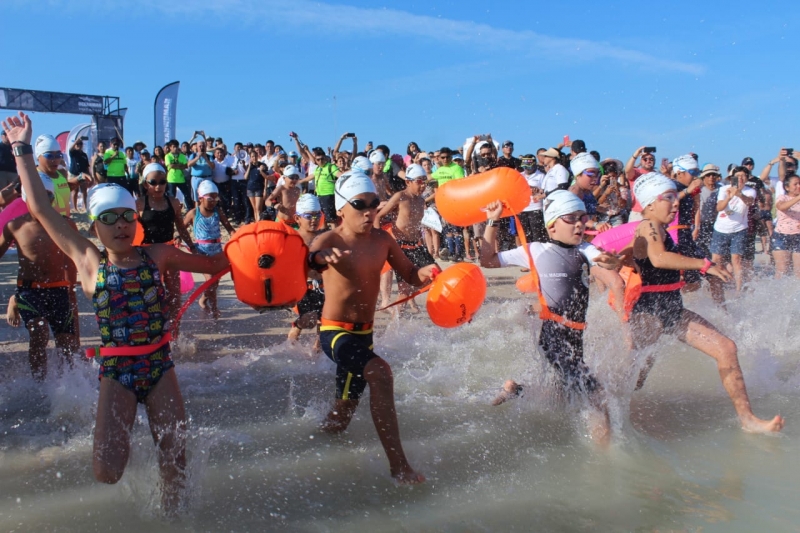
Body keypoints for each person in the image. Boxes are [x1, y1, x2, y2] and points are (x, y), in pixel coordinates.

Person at [4, 111, 230, 513]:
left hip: (160, 366)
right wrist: (21, 150)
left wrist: (265, 249)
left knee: (175, 459)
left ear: (136, 219)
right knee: (107, 471)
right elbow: (39, 207)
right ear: (95, 226)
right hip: (117, 373)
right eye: (109, 218)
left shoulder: (156, 255)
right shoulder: (88, 261)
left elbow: (216, 265)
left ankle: (173, 519)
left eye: (127, 216)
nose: (121, 224)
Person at [627, 172, 783, 433]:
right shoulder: (648, 226)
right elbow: (658, 259)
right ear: (649, 203)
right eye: (668, 198)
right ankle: (616, 411)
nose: (675, 203)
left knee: (726, 348)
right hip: (648, 313)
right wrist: (704, 265)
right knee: (637, 374)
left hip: (672, 310)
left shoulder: (662, 228)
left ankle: (748, 420)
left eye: (676, 197)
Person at [308, 171, 437, 484]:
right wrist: (320, 258)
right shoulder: (329, 240)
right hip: (335, 333)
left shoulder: (382, 240)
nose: (369, 211)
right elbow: (308, 263)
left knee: (343, 415)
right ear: (341, 208)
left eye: (373, 203)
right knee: (381, 373)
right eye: (359, 204)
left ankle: (314, 446)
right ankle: (399, 467)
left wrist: (428, 272)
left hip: (364, 335)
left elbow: (408, 273)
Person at [479, 190, 625, 444]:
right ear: (552, 226)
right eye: (570, 218)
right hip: (554, 335)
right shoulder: (536, 250)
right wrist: (493, 221)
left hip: (575, 336)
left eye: (583, 217)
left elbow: (599, 259)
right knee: (595, 394)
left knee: (563, 395)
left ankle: (516, 390)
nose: (579, 223)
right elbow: (488, 260)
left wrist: (607, 262)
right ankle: (608, 458)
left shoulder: (585, 249)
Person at [0, 176, 79, 380]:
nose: (43, 202)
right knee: (39, 334)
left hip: (59, 288)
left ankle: (68, 384)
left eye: (48, 196)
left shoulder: (65, 225)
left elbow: (75, 259)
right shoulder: (15, 226)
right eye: (38, 197)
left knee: (66, 342)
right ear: (27, 199)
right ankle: (40, 383)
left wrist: (73, 289)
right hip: (29, 289)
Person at [136, 163, 197, 337]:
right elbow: (131, 231)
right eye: (153, 182)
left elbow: (181, 226)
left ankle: (173, 334)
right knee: (150, 295)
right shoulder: (139, 204)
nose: (158, 186)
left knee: (174, 296)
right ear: (145, 184)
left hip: (169, 252)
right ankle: (151, 332)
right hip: (147, 254)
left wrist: (191, 246)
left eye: (162, 181)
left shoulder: (173, 202)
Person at [374, 164, 438, 313]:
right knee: (404, 291)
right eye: (419, 181)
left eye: (424, 181)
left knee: (437, 275)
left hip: (418, 246)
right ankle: (393, 327)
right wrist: (378, 241)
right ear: (408, 182)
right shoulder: (400, 197)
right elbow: (378, 216)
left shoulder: (421, 201)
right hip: (401, 248)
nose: (422, 186)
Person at [184, 181, 234, 319]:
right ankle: (214, 309)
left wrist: (234, 235)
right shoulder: (194, 213)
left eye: (216, 198)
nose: (213, 202)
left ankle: (204, 298)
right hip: (202, 252)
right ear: (201, 198)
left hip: (217, 251)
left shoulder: (218, 212)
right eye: (210, 199)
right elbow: (182, 229)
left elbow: (229, 228)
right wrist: (190, 245)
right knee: (211, 280)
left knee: (214, 283)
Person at [287, 194, 325, 349]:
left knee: (324, 322)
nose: (314, 219)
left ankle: (317, 354)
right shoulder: (293, 239)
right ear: (297, 218)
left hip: (324, 286)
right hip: (303, 288)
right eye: (309, 216)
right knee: (307, 320)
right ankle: (290, 349)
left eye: (317, 215)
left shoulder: (325, 237)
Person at [710, 166, 756, 293]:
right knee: (717, 260)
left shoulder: (750, 191)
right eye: (737, 176)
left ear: (747, 178)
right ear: (732, 177)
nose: (740, 178)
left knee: (736, 259)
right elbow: (719, 207)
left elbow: (749, 202)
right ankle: (718, 286)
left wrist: (739, 193)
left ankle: (738, 290)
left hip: (739, 229)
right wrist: (729, 197)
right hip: (720, 229)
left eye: (743, 176)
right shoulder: (724, 189)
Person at [34, 135, 71, 217]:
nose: (55, 160)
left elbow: (61, 188)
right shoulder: (34, 178)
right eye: (49, 156)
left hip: (65, 223)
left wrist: (79, 180)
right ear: (38, 157)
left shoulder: (61, 173)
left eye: (58, 155)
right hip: (48, 226)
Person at [772, 174, 800, 278]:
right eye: (795, 184)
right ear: (787, 187)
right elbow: (782, 207)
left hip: (798, 236)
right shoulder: (782, 197)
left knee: (798, 272)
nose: (798, 186)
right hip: (782, 236)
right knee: (782, 270)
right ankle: (777, 293)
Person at [517, 154, 548, 243]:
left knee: (537, 234)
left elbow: (545, 191)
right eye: (525, 166)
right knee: (525, 235)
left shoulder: (541, 176)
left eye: (529, 166)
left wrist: (537, 190)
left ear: (534, 164)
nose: (526, 169)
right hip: (522, 209)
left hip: (536, 208)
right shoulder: (520, 176)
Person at [624, 146, 657, 221]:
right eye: (645, 159)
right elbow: (627, 170)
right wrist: (636, 154)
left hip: (654, 213)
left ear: (654, 161)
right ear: (641, 161)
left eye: (651, 159)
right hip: (638, 213)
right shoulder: (636, 172)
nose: (648, 161)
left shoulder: (657, 175)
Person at [165, 141, 192, 210]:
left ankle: (190, 209)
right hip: (171, 179)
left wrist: (176, 166)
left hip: (181, 178)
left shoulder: (182, 156)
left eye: (176, 146)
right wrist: (180, 165)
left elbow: (186, 166)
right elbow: (170, 165)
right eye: (173, 147)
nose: (175, 148)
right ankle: (171, 209)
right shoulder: (168, 156)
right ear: (170, 147)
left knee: (187, 194)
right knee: (171, 196)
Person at [67, 137, 92, 212]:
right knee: (75, 191)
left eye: (80, 144)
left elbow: (87, 166)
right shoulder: (73, 152)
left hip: (83, 174)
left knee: (84, 190)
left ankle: (85, 207)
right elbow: (70, 149)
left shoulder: (84, 155)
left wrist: (89, 175)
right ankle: (75, 208)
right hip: (74, 174)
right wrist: (76, 141)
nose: (79, 145)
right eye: (77, 144)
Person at [187, 137, 215, 202]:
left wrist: (206, 158)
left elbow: (213, 167)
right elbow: (189, 164)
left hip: (207, 178)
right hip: (196, 179)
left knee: (208, 195)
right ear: (197, 147)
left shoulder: (209, 156)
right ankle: (197, 210)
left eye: (203, 146)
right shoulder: (193, 155)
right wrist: (198, 157)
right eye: (200, 146)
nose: (201, 147)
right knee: (196, 198)